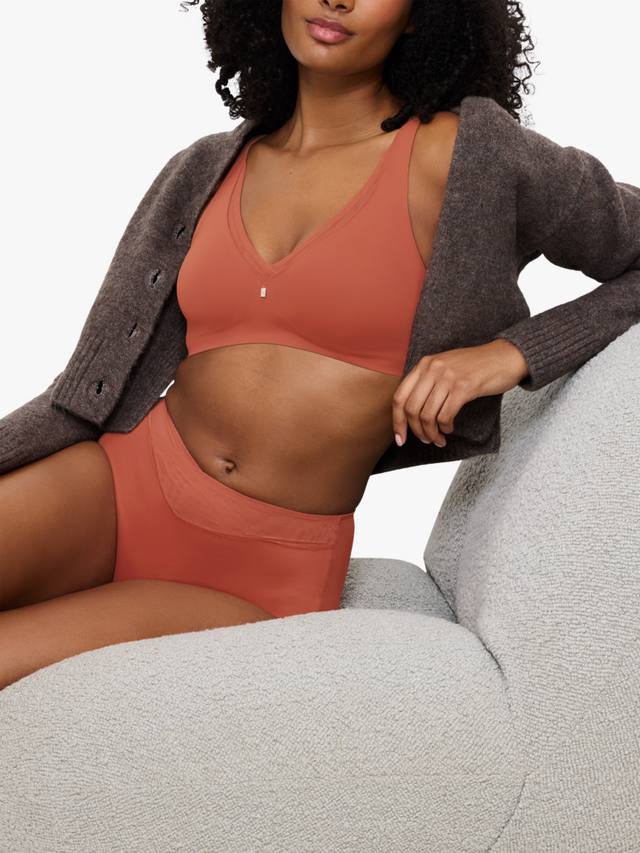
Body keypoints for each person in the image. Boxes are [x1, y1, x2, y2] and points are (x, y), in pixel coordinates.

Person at [0, 0, 621, 690]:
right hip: (118, 488)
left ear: (421, 15)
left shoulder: (466, 157)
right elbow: (84, 391)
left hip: (261, 569)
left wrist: (511, 354)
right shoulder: (202, 170)